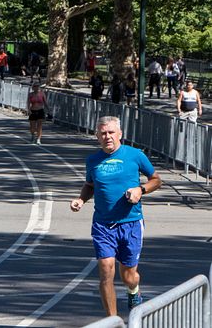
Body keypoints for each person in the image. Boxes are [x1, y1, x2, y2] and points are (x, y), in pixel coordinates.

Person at [70, 116, 161, 316]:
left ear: (120, 134)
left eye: (111, 132)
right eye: (103, 133)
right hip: (103, 224)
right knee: (106, 271)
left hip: (131, 223)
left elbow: (156, 180)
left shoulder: (135, 155)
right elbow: (90, 185)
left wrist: (141, 190)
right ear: (97, 136)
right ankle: (113, 320)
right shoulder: (92, 161)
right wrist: (81, 200)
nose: (107, 137)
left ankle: (133, 291)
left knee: (129, 277)